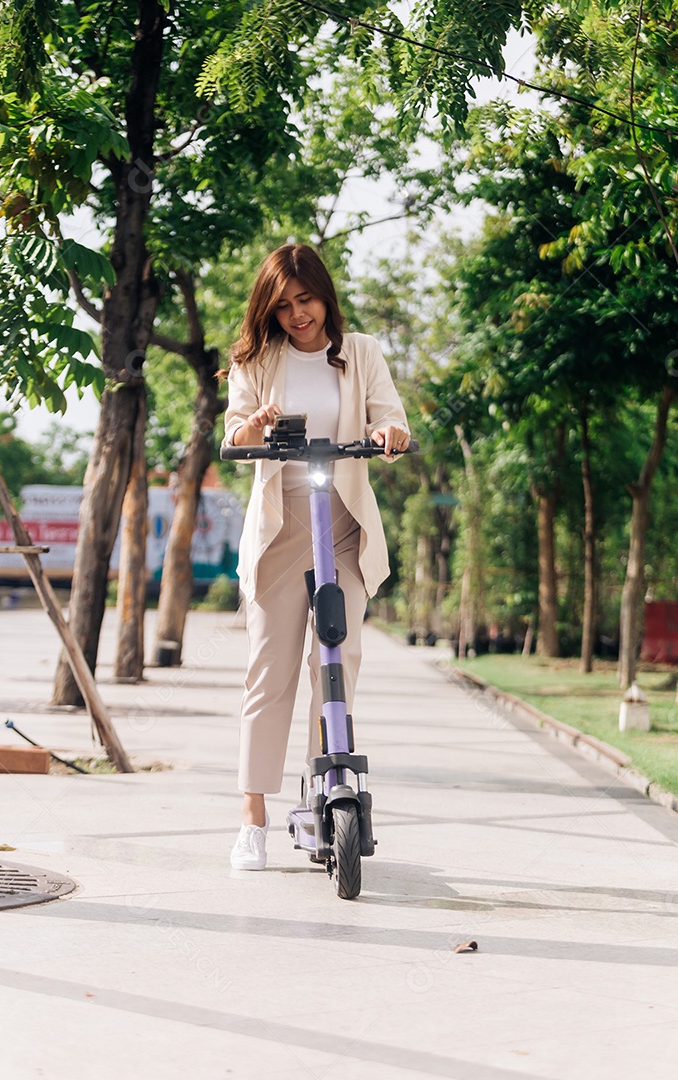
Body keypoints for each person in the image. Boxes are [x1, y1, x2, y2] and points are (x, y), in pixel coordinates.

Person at [222, 243, 409, 870]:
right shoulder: (257, 358)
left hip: (345, 520)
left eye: (305, 300)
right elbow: (235, 432)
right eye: (283, 306)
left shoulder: (361, 352)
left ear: (324, 295)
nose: (297, 315)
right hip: (283, 522)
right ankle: (252, 816)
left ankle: (325, 791)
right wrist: (255, 425)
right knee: (271, 668)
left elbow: (389, 416)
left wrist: (389, 432)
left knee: (338, 658)